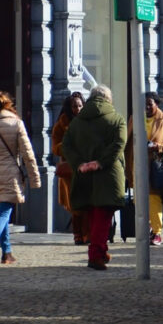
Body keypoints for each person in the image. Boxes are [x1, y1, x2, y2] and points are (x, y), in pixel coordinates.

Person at [61, 85, 127, 270]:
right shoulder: (116, 119)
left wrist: (80, 164)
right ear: (108, 99)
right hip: (108, 174)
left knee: (93, 213)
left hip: (84, 175)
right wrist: (100, 163)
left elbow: (66, 145)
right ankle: (96, 254)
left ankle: (101, 249)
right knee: (103, 215)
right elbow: (119, 144)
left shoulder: (77, 122)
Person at [126, 92, 163, 246]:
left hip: (155, 167)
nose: (147, 107)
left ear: (157, 104)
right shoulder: (135, 118)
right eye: (144, 104)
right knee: (138, 199)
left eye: (150, 103)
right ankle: (147, 227)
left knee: (153, 199)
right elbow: (127, 140)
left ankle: (157, 232)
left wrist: (160, 147)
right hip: (136, 164)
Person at [0, 92, 41, 265]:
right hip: (10, 176)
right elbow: (28, 154)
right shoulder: (15, 123)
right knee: (3, 213)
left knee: (3, 214)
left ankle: (7, 252)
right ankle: (7, 252)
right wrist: (35, 178)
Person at [52, 91, 88, 244]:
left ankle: (87, 233)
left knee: (87, 202)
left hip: (86, 168)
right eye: (74, 106)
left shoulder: (89, 122)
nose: (77, 109)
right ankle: (77, 234)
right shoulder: (61, 124)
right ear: (69, 107)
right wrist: (68, 145)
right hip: (70, 170)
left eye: (80, 106)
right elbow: (55, 148)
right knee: (75, 205)